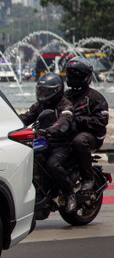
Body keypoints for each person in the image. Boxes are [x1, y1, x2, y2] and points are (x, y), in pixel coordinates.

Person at [20, 73, 77, 211]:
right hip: (45, 142)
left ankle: (70, 194)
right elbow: (26, 117)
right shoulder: (39, 106)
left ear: (55, 91)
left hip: (62, 144)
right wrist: (11, 124)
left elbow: (64, 121)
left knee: (52, 164)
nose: (41, 94)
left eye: (45, 91)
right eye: (40, 90)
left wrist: (51, 130)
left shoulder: (65, 105)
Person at [64, 56, 109, 192]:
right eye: (71, 74)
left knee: (80, 141)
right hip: (69, 132)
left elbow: (101, 121)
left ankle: (88, 178)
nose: (73, 77)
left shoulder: (95, 98)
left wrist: (79, 120)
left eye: (77, 75)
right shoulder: (65, 96)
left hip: (92, 135)